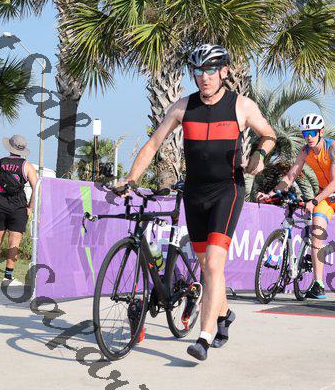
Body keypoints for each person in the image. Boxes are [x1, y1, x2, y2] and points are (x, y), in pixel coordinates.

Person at [115, 44, 276, 361]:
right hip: (194, 192)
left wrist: (260, 154)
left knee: (214, 264)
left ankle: (204, 337)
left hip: (227, 191)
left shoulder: (241, 106)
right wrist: (131, 178)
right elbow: (153, 144)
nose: (204, 77)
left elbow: (269, 135)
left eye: (210, 70)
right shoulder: (182, 106)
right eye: (198, 71)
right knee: (206, 265)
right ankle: (225, 314)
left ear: (224, 71)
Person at [257, 113, 335, 304]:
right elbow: (291, 176)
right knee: (316, 235)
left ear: (321, 132)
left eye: (312, 133)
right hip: (325, 198)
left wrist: (314, 200)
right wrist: (271, 193)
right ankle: (318, 284)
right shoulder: (305, 151)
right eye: (305, 134)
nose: (309, 137)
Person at [0, 135, 38, 286]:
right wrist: (30, 207)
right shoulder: (26, 166)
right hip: (19, 209)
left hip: (0, 208)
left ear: (9, 147)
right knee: (14, 243)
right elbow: (37, 188)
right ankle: (7, 277)